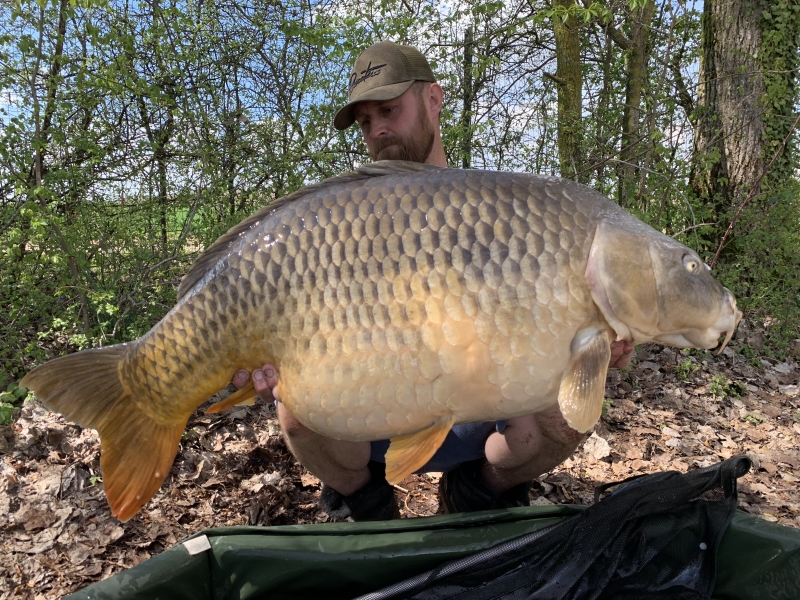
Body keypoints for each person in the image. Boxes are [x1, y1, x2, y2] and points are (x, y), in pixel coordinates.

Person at [233, 41, 634, 520]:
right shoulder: (342, 223)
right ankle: (365, 500)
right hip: (374, 413)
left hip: (481, 413)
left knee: (571, 414)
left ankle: (479, 490)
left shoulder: (503, 211)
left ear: (433, 99)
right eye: (365, 121)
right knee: (292, 407)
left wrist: (595, 343)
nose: (378, 129)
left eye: (389, 109)